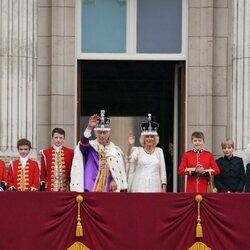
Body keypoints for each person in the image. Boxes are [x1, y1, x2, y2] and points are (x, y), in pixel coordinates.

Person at [70, 110, 127, 192]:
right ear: (95, 133)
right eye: (99, 132)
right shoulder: (91, 147)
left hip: (108, 189)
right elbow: (83, 144)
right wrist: (89, 128)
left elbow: (118, 170)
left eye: (104, 133)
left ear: (109, 133)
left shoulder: (115, 150)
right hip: (90, 187)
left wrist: (115, 180)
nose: (102, 135)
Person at [126, 114, 167, 192]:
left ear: (155, 139)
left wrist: (164, 185)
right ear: (143, 139)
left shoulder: (159, 151)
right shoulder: (138, 151)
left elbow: (163, 170)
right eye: (147, 137)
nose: (149, 139)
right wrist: (130, 146)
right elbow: (129, 159)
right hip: (139, 186)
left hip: (155, 186)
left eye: (152, 137)